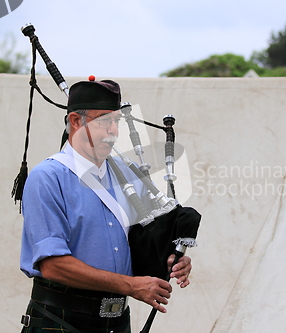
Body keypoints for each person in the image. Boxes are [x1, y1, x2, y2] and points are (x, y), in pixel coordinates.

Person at [20, 78, 192, 333]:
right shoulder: (47, 177)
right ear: (76, 121)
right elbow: (52, 265)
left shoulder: (128, 175)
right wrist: (131, 286)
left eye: (116, 121)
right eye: (103, 121)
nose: (113, 130)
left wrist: (171, 260)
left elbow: (142, 243)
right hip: (59, 320)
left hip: (116, 322)